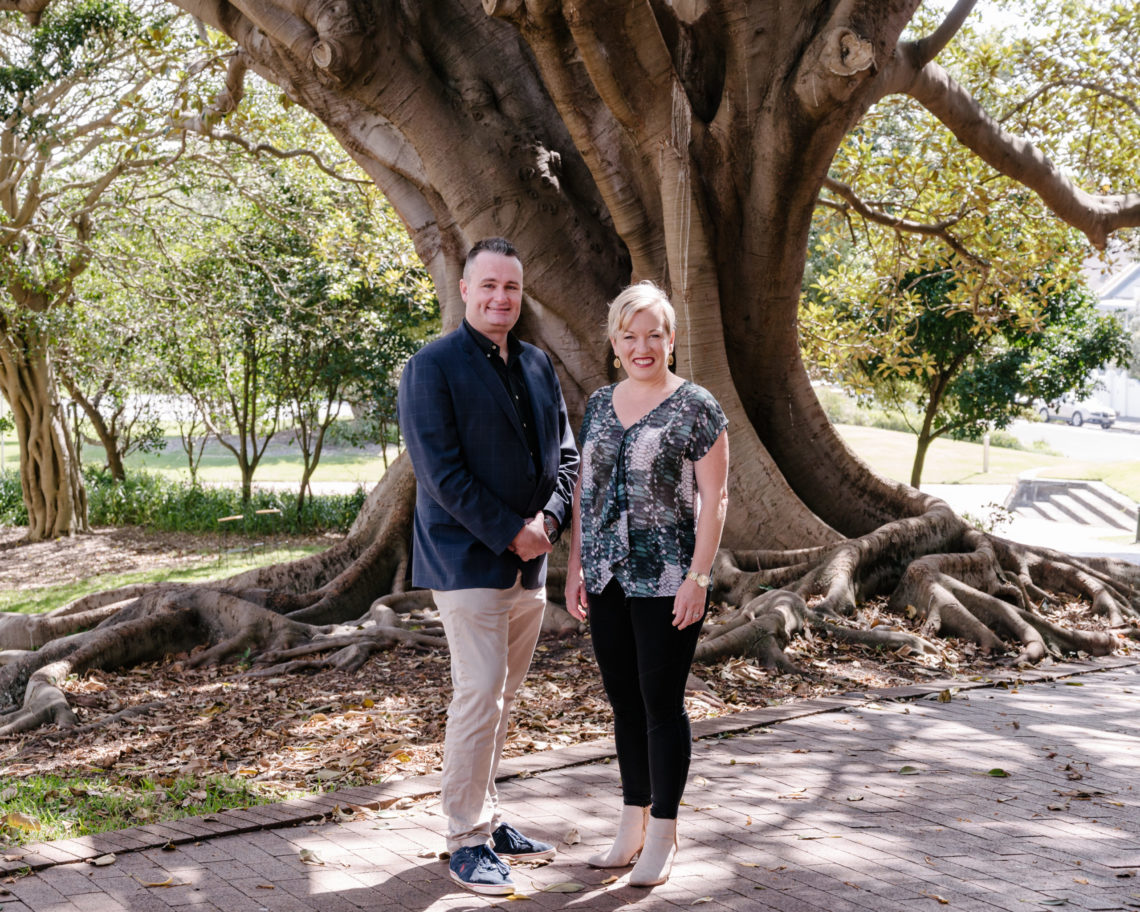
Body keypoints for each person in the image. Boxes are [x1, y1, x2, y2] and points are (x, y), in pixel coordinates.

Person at [397, 237, 579, 895]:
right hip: (466, 560)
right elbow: (440, 474)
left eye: (512, 288)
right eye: (489, 286)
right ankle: (464, 840)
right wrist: (512, 533)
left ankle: (490, 818)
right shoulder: (432, 366)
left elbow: (565, 455)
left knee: (502, 699)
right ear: (466, 290)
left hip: (531, 562)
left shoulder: (535, 362)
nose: (501, 298)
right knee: (479, 694)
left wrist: (550, 525)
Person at [565, 281, 729, 887]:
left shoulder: (697, 406)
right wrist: (577, 565)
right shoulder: (599, 404)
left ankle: (664, 830)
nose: (643, 346)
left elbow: (716, 500)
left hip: (667, 579)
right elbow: (586, 491)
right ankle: (631, 823)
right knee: (624, 704)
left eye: (654, 334)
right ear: (614, 342)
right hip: (606, 576)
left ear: (671, 339)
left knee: (661, 707)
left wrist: (698, 577)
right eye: (630, 336)